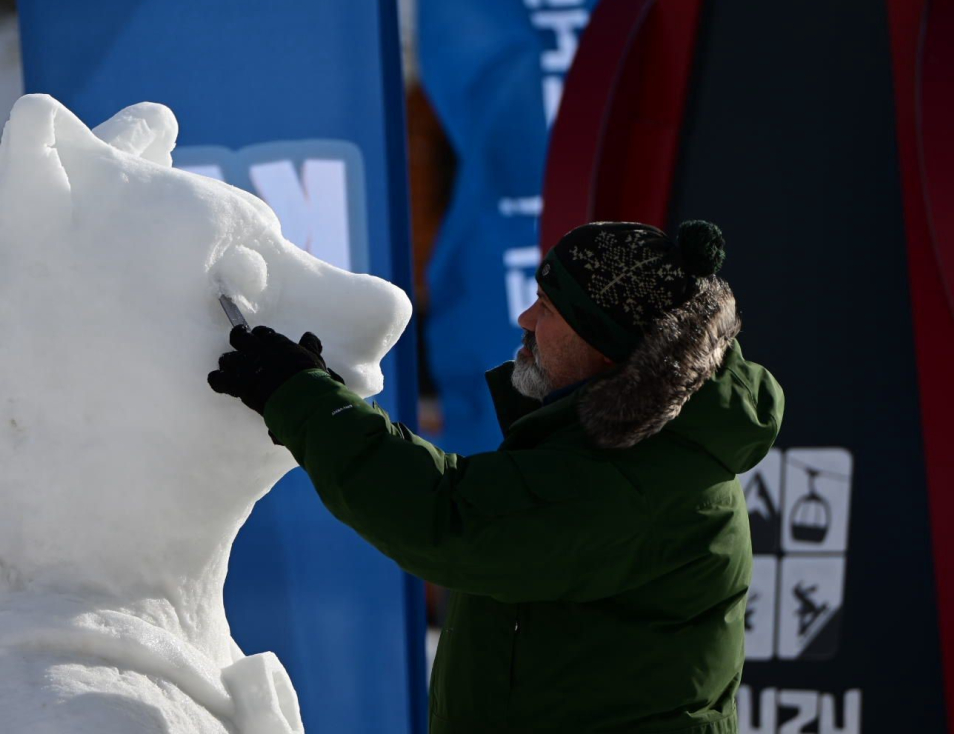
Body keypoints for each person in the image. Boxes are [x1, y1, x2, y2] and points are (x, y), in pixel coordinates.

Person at [208, 219, 785, 733]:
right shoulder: (645, 441)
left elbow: (449, 518)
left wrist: (306, 402)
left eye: (549, 309)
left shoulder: (645, 477)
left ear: (609, 346)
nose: (526, 319)